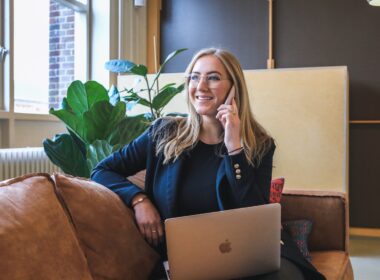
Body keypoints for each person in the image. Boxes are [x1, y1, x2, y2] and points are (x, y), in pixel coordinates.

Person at [91, 48, 325, 280]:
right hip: (187, 260)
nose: (200, 86)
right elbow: (102, 170)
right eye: (194, 77)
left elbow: (255, 214)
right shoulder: (163, 133)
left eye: (213, 77)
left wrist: (234, 148)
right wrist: (138, 200)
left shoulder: (259, 144)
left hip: (250, 256)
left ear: (234, 88)